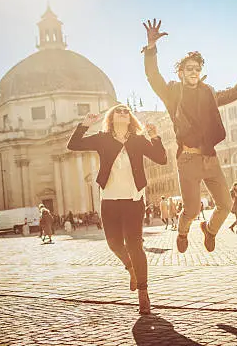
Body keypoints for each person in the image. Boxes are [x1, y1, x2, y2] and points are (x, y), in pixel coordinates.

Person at [142, 19, 237, 253]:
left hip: (210, 159)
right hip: (187, 160)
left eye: (197, 69)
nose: (194, 72)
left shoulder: (209, 93)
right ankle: (183, 232)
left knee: (225, 205)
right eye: (189, 69)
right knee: (192, 210)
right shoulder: (172, 93)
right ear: (181, 72)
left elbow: (235, 93)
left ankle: (210, 230)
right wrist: (151, 48)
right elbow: (153, 77)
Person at [67, 104, 167, 315]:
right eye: (118, 110)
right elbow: (73, 145)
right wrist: (84, 125)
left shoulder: (138, 140)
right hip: (109, 198)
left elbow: (161, 159)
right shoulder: (102, 138)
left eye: (126, 111)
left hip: (133, 198)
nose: (122, 112)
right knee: (113, 244)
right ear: (111, 117)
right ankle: (130, 267)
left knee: (135, 244)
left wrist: (155, 136)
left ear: (130, 118)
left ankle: (143, 292)